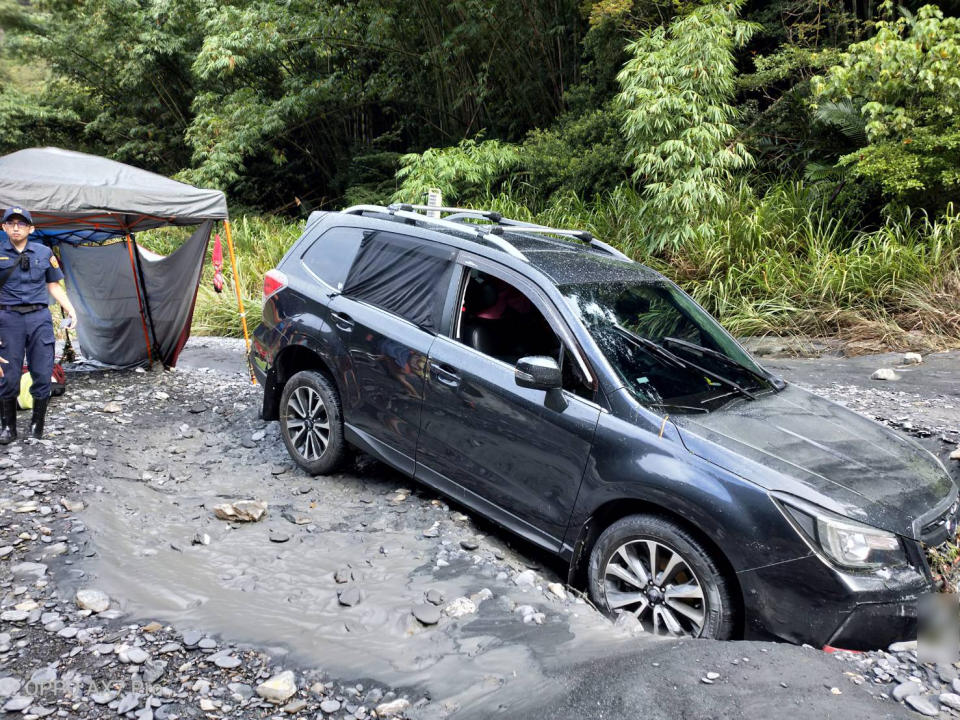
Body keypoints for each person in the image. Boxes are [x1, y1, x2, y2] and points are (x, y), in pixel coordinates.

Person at [0, 207, 77, 443]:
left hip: (39, 319)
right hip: (7, 320)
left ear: (31, 228)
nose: (16, 227)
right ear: (3, 227)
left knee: (43, 373)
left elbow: (53, 286)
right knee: (8, 376)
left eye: (21, 224)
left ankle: (37, 424)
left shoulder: (44, 253)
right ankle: (8, 427)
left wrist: (72, 310)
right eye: (10, 223)